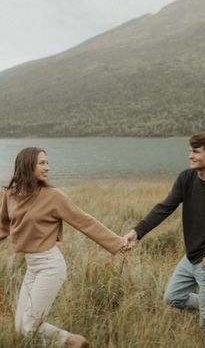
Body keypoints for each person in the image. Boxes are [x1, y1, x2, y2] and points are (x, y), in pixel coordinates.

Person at [0, 147, 128, 348]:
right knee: (20, 327)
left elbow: (84, 221)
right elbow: (3, 226)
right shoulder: (11, 194)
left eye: (47, 163)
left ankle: (72, 341)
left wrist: (117, 242)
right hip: (31, 267)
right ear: (26, 165)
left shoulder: (53, 196)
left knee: (31, 325)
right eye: (42, 163)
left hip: (50, 266)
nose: (47, 167)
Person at [124, 131, 205, 347]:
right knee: (173, 298)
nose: (190, 156)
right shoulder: (186, 178)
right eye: (190, 151)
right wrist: (137, 232)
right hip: (190, 258)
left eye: (195, 151)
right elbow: (165, 208)